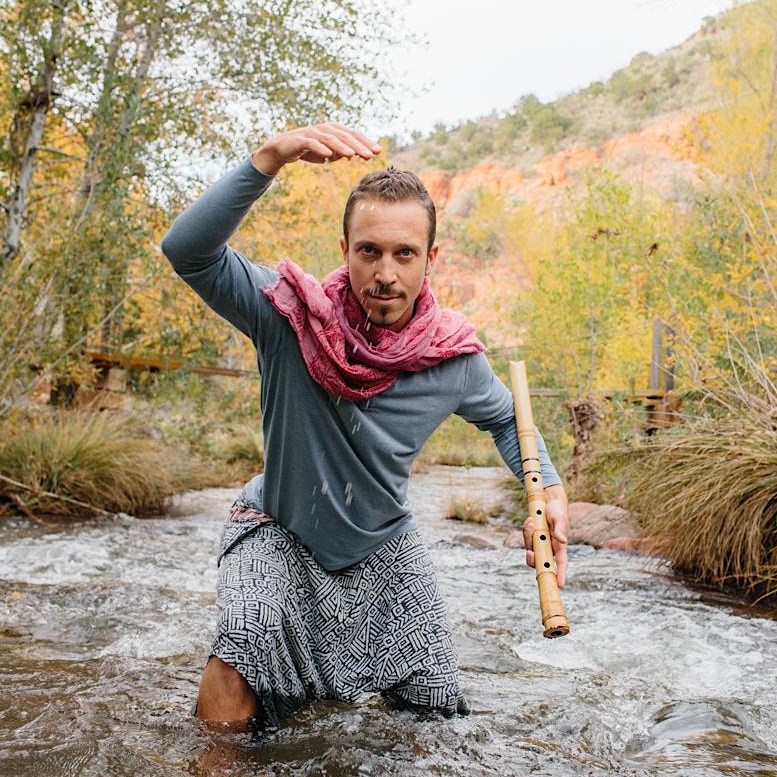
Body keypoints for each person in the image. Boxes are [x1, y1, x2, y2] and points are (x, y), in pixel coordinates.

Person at [161, 123, 569, 731]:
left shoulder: (454, 359)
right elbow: (187, 252)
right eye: (369, 251)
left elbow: (509, 419)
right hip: (277, 527)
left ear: (430, 259)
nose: (385, 273)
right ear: (345, 249)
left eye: (405, 253)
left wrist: (551, 489)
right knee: (239, 656)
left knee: (434, 710)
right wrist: (270, 158)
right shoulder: (287, 316)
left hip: (384, 543)